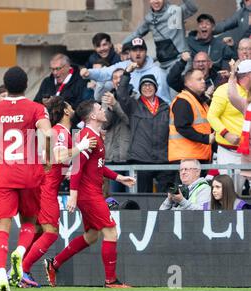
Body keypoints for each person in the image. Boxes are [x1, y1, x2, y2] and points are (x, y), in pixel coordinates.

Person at [43, 100, 136, 288]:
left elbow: (97, 167)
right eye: (100, 108)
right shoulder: (88, 137)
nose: (103, 110)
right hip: (88, 194)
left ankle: (54, 263)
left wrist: (119, 178)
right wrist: (73, 195)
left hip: (91, 192)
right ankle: (111, 281)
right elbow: (76, 166)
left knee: (92, 235)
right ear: (93, 116)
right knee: (111, 231)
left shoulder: (94, 136)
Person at [19, 96, 96, 288]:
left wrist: (68, 169)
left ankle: (18, 269)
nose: (72, 108)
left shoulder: (58, 132)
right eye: (69, 106)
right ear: (66, 111)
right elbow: (58, 155)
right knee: (51, 232)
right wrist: (81, 146)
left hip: (40, 185)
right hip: (46, 188)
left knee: (38, 231)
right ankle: (23, 270)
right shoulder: (60, 132)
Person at [0, 66, 52, 291]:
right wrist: (47, 156)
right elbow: (47, 133)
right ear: (27, 85)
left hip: (4, 174)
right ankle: (21, 251)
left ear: (6, 86)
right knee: (30, 223)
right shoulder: (36, 108)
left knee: (2, 228)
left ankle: (0, 275)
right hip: (29, 173)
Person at [117, 64, 173, 192]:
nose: (147, 88)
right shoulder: (133, 105)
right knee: (142, 198)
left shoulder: (166, 107)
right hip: (140, 158)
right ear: (140, 89)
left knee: (165, 198)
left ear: (156, 88)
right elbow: (121, 94)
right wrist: (127, 73)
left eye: (150, 85)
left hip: (163, 159)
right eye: (144, 85)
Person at [81, 37, 172, 104]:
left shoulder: (158, 72)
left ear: (146, 52)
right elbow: (104, 72)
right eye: (134, 50)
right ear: (130, 53)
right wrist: (89, 73)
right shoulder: (123, 65)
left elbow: (164, 102)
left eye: (141, 50)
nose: (138, 53)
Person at [208, 59, 251, 193]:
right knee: (231, 193)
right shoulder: (223, 90)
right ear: (249, 75)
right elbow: (211, 116)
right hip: (229, 151)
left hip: (248, 151)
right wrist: (226, 133)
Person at [122, 0, 198, 69]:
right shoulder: (149, 18)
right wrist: (122, 45)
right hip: (163, 64)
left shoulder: (175, 11)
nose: (156, 1)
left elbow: (192, 8)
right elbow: (136, 34)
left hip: (180, 60)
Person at [168, 69, 214, 163]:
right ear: (188, 83)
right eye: (199, 79)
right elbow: (182, 127)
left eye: (203, 79)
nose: (203, 81)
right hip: (186, 158)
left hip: (197, 155)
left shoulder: (201, 102)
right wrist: (206, 138)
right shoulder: (184, 100)